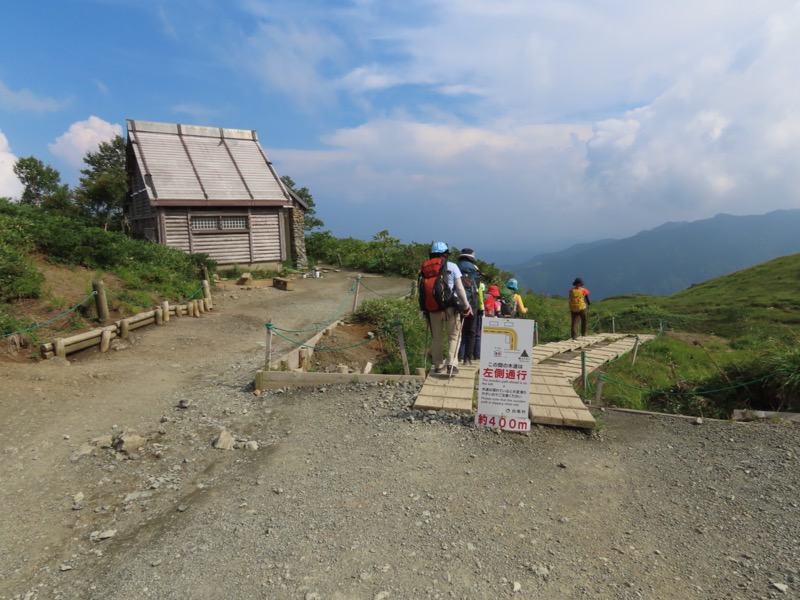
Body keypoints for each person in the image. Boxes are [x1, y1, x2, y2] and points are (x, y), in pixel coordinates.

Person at [423, 242, 471, 376]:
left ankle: (438, 365)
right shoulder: (452, 266)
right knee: (454, 336)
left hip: (433, 308)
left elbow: (422, 289)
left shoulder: (426, 267)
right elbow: (460, 288)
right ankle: (451, 365)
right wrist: (465, 305)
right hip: (450, 307)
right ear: (445, 253)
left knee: (436, 338)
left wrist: (423, 308)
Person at [456, 248, 480, 365]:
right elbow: (477, 286)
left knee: (457, 331)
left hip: (456, 302)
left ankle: (457, 356)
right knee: (471, 331)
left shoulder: (456, 266)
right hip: (472, 303)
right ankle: (467, 359)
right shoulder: (473, 269)